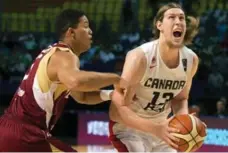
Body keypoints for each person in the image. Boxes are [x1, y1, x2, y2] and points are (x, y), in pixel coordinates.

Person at [0, 9, 125, 152]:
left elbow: (82, 96)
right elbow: (76, 81)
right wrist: (115, 78)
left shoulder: (54, 53)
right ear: (71, 32)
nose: (90, 31)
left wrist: (111, 94)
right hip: (25, 134)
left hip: (10, 131)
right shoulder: (64, 55)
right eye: (85, 26)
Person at [109, 2, 201, 152]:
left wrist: (186, 125)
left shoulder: (191, 60)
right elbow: (116, 111)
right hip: (130, 130)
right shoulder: (140, 57)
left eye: (181, 18)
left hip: (162, 129)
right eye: (171, 17)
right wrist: (154, 128)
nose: (178, 21)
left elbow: (180, 99)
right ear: (159, 25)